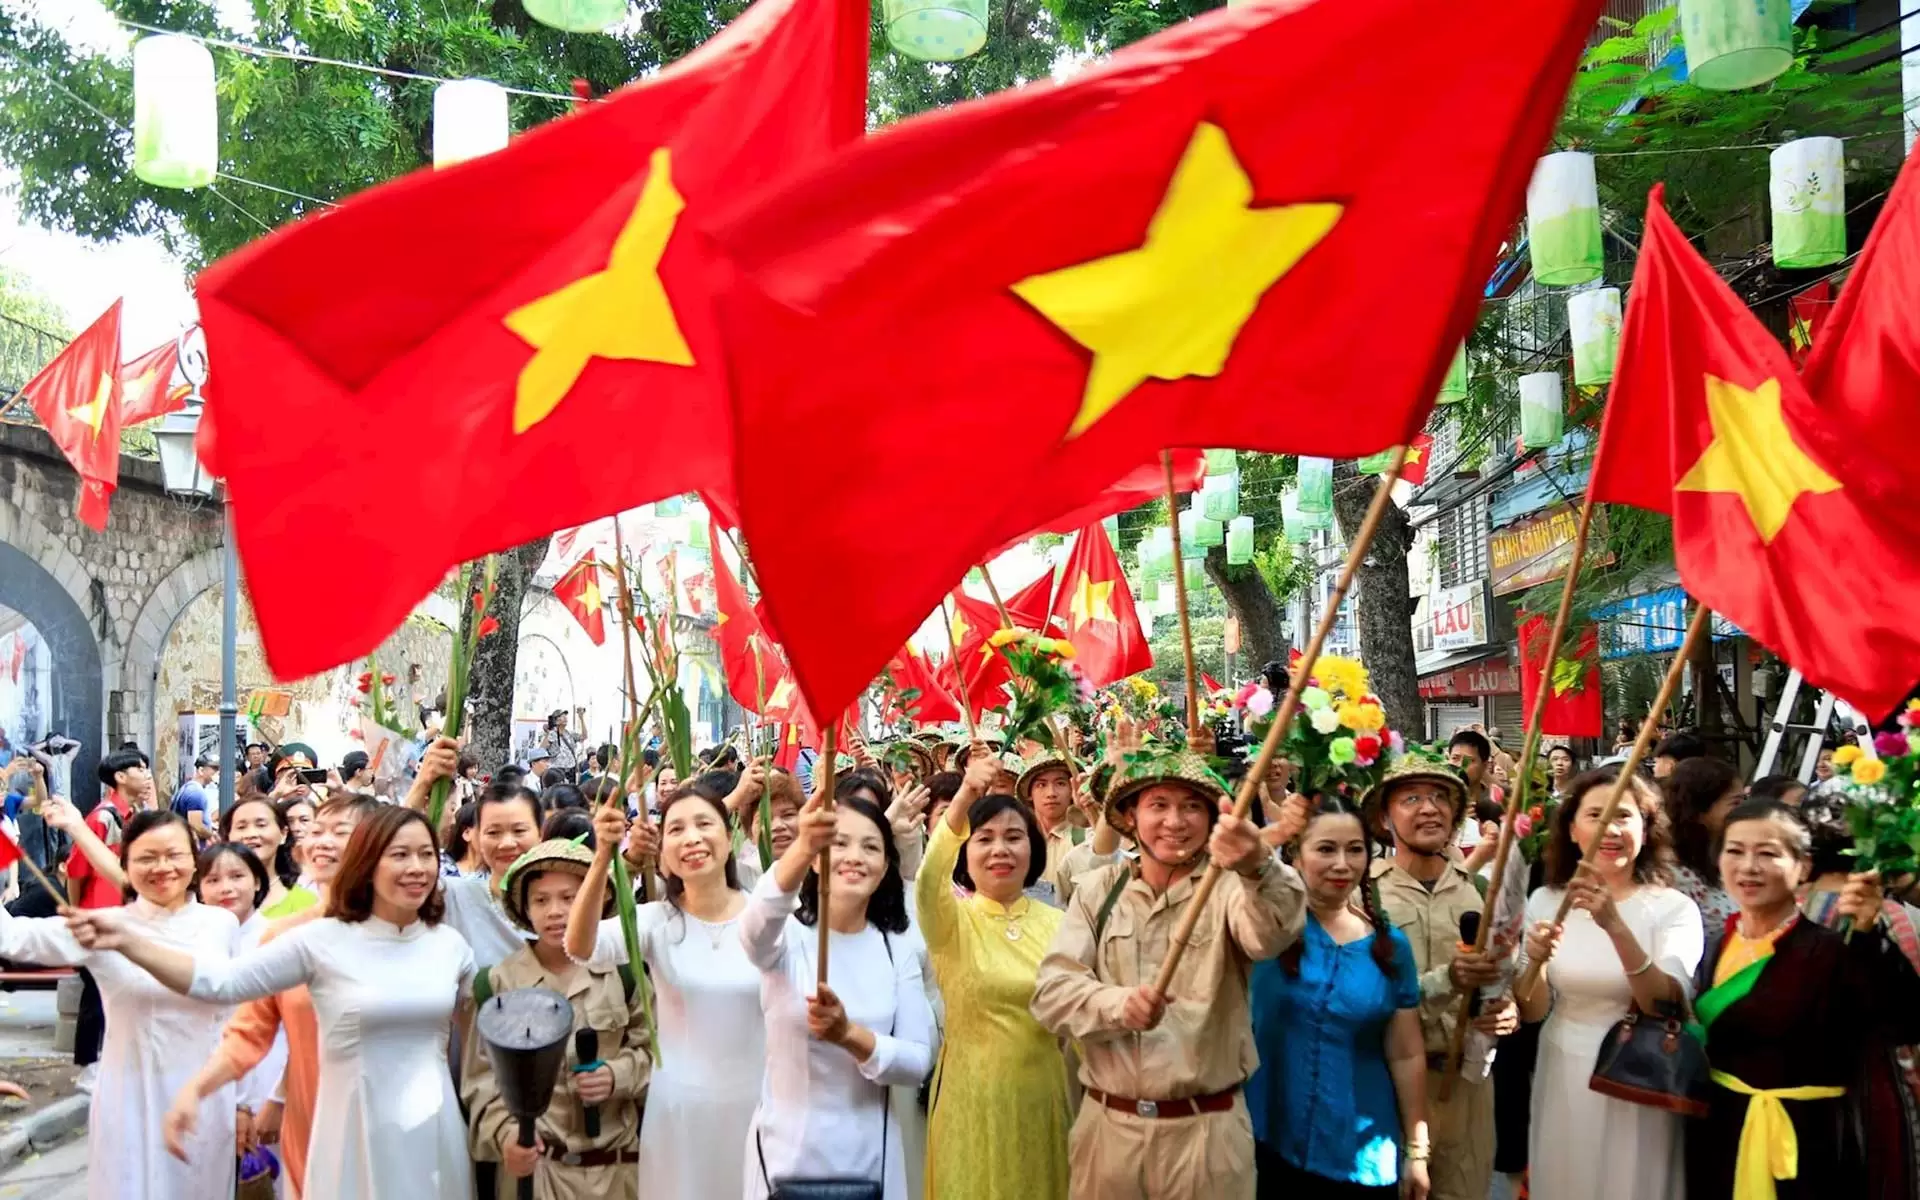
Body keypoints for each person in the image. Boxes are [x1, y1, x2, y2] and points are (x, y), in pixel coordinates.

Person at [69, 805, 478, 1199]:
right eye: (400, 855)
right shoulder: (318, 941)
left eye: (427, 855)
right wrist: (128, 943)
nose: (417, 868)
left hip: (432, 1132)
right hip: (349, 1132)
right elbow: (223, 984)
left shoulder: (451, 947)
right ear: (367, 863)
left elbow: (477, 1046)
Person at [1030, 746, 1307, 1200]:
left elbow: (1271, 934)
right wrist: (1118, 1005)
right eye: (1158, 805)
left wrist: (1259, 864)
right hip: (1108, 1135)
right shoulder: (1098, 891)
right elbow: (1051, 995)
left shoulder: (1232, 887)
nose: (1175, 821)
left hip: (1207, 1138)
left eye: (1191, 806)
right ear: (1130, 815)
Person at [0, 810, 240, 1199]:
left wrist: (247, 1100)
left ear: (194, 860)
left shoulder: (223, 924)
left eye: (174, 855)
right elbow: (10, 938)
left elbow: (240, 1018)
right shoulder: (104, 926)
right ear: (125, 865)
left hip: (204, 1097)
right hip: (129, 1097)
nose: (162, 867)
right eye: (146, 858)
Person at [1688, 799, 1920, 1199]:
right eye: (1735, 851)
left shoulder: (1832, 950)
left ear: (1804, 866)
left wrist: (1869, 938)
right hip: (1721, 1130)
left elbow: (1904, 1019)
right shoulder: (1712, 946)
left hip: (1810, 1142)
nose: (1749, 867)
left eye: (1768, 854)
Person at [160, 790, 385, 1200]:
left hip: (392, 1125)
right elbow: (247, 1028)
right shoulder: (285, 936)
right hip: (312, 1118)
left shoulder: (414, 933)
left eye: (341, 831)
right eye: (317, 830)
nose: (323, 841)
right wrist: (198, 1091)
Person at [566, 785, 766, 1200]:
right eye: (675, 828)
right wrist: (604, 855)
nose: (691, 838)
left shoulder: (768, 916)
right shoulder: (655, 922)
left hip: (759, 1108)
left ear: (729, 839)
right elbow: (579, 947)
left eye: (704, 824)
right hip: (679, 1113)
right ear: (662, 850)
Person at [740, 785, 936, 1200]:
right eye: (839, 843)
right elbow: (754, 929)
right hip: (783, 1157)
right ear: (816, 860)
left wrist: (850, 1035)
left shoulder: (896, 947)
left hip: (871, 1159)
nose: (854, 857)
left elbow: (918, 1060)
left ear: (885, 867)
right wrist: (802, 845)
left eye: (870, 847)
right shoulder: (786, 938)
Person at [1518, 768, 1702, 1200]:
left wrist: (1614, 926)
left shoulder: (1673, 908)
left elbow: (1664, 1003)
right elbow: (1530, 1009)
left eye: (1624, 816)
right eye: (1596, 816)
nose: (1611, 830)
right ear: (1572, 828)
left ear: (1646, 827)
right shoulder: (1546, 900)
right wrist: (1537, 963)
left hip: (1640, 1071)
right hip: (1563, 1059)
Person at [1252, 795, 1430, 1200]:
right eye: (1326, 849)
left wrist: (1417, 1151)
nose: (1342, 864)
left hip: (1362, 1155)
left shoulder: (1390, 947)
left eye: (1355, 850)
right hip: (1269, 1141)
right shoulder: (1266, 930)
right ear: (1295, 857)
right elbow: (1228, 873)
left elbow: (1405, 1054)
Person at [917, 747, 1070, 1200]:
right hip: (972, 1103)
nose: (1000, 849)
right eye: (984, 839)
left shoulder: (1060, 924)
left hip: (1046, 1101)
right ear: (963, 853)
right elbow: (928, 879)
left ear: (1033, 847)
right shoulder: (951, 922)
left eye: (1013, 837)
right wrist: (966, 791)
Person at [464, 839, 651, 1200]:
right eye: (541, 900)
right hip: (535, 1175)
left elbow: (657, 1057)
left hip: (617, 1172)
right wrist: (506, 1136)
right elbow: (480, 1082)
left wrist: (617, 1075)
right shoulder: (499, 984)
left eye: (571, 898)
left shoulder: (626, 975)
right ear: (524, 908)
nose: (556, 911)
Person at [1366, 752, 1512, 1200]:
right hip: (1388, 1090)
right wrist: (1447, 979)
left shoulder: (1482, 892)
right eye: (1411, 798)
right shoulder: (1363, 892)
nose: (1429, 809)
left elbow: (1514, 985)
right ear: (1384, 818)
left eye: (1439, 798)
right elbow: (1367, 996)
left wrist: (1507, 1010)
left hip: (1468, 1086)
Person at [408, 739, 541, 969]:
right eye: (493, 832)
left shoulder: (567, 901)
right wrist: (421, 784)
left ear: (541, 833)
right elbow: (384, 861)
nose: (507, 843)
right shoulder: (455, 896)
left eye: (519, 830)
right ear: (475, 836)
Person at [190, 842, 283, 1164]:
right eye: (213, 880)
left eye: (236, 876)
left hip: (266, 1078)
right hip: (205, 1082)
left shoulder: (277, 938)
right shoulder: (192, 943)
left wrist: (256, 1100)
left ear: (257, 882)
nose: (225, 888)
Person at [1664, 756, 1742, 938]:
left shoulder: (1728, 856)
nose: (1744, 810)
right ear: (1700, 810)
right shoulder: (1673, 875)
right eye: (1735, 803)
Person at [1017, 752, 1084, 900]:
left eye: (1060, 783)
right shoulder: (1018, 839)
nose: (1051, 793)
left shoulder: (1084, 840)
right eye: (1041, 785)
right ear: (1029, 793)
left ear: (1072, 790)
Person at [221, 796, 304, 913]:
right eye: (241, 827)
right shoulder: (214, 897)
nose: (251, 834)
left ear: (283, 833)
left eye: (261, 825)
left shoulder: (307, 903)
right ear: (228, 836)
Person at [170, 757, 218, 840]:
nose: (217, 772)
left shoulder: (188, 787)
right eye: (214, 769)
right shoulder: (196, 792)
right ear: (201, 771)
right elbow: (196, 826)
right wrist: (212, 836)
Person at [541, 709, 583, 778]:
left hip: (570, 769)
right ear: (555, 720)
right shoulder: (551, 733)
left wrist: (581, 719)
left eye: (565, 716)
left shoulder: (569, 733)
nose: (565, 718)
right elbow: (542, 749)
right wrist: (548, 732)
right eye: (562, 716)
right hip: (557, 769)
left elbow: (584, 736)